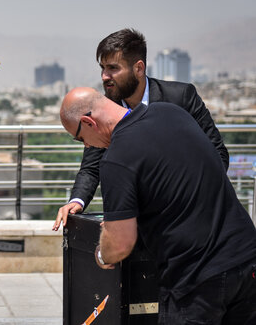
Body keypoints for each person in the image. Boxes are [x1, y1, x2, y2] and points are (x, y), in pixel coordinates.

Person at [60, 87, 256, 323]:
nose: (87, 147)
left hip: (197, 280)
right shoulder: (171, 112)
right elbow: (177, 181)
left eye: (80, 138)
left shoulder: (116, 159)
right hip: (247, 258)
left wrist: (103, 254)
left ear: (88, 121)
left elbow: (120, 246)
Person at [53, 28, 228, 230]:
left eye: (112, 68)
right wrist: (77, 201)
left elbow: (218, 155)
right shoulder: (104, 109)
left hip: (187, 223)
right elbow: (91, 168)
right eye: (102, 68)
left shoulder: (181, 97)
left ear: (138, 68)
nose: (104, 76)